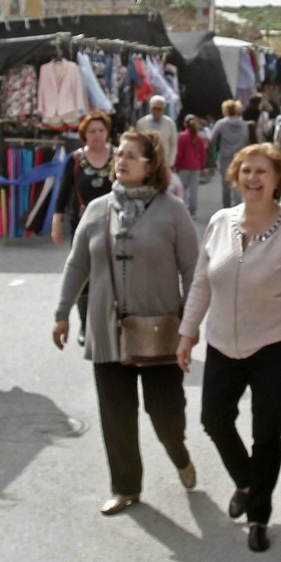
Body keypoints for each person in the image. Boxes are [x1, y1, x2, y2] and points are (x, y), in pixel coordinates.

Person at [177, 143, 281, 553]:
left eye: (261, 172)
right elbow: (202, 282)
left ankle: (259, 514)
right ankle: (247, 482)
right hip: (223, 341)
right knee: (214, 419)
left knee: (266, 434)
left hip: (274, 344)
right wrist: (188, 333)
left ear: (277, 180)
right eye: (246, 171)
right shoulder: (220, 222)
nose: (252, 179)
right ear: (236, 176)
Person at [53, 130, 199, 515]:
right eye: (119, 153)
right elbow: (77, 263)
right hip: (107, 330)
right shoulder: (98, 209)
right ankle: (125, 487)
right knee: (116, 416)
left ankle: (179, 454)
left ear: (152, 165)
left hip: (160, 331)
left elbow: (193, 270)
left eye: (132, 155)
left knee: (165, 414)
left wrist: (191, 324)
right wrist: (62, 312)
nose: (121, 160)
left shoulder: (172, 211)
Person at [51, 111, 115, 248]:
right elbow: (63, 193)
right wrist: (56, 223)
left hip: (113, 223)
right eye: (92, 131)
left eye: (101, 130)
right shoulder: (75, 159)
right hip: (82, 222)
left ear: (107, 132)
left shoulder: (118, 157)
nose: (97, 134)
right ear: (84, 134)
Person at [210, 100, 251, 210]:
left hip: (224, 157)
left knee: (226, 184)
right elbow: (246, 140)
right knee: (238, 183)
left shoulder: (221, 124)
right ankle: (238, 207)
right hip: (239, 158)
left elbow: (212, 140)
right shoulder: (243, 125)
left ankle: (227, 207)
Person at [174, 114, 208, 215]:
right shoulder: (200, 138)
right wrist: (202, 166)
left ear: (185, 124)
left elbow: (179, 153)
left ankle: (181, 209)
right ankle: (193, 211)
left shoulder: (182, 137)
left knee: (182, 189)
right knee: (194, 191)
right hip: (196, 167)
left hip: (184, 166)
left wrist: (176, 165)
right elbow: (202, 154)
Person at [136, 95, 179, 164]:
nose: (156, 111)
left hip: (164, 162)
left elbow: (173, 144)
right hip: (146, 161)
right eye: (154, 108)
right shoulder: (141, 123)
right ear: (150, 108)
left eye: (159, 109)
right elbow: (138, 143)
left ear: (163, 110)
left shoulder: (170, 124)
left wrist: (170, 162)